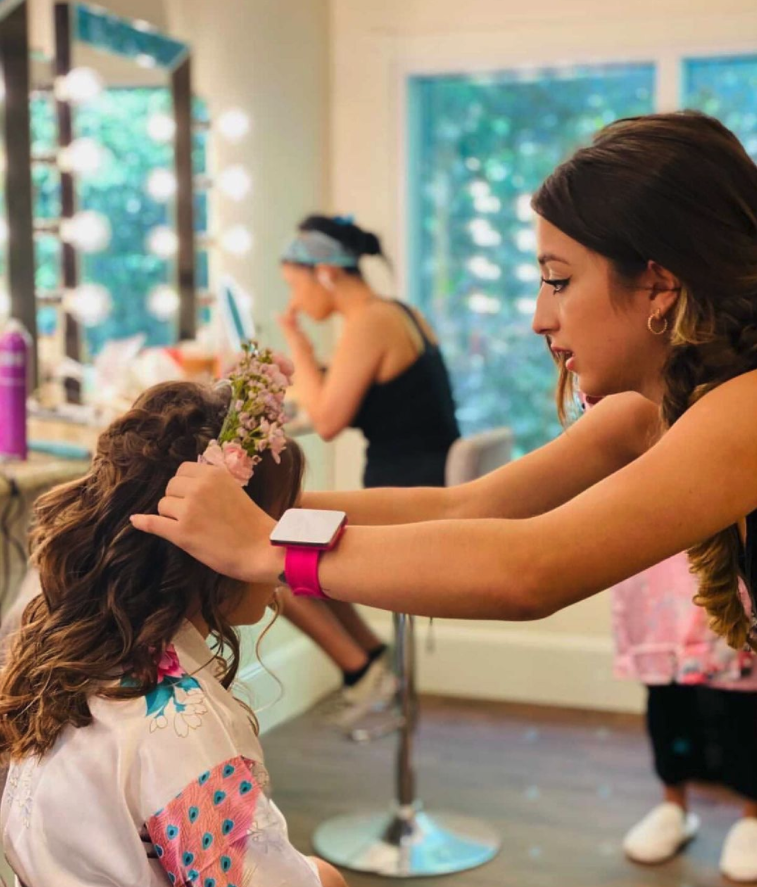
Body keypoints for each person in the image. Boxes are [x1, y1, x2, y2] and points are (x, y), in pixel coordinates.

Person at [131, 111, 757, 697]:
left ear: (659, 284)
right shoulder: (649, 412)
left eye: (559, 281)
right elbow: (467, 506)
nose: (540, 318)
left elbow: (531, 569)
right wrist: (251, 505)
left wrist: (265, 547)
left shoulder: (745, 409)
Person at [0, 365, 348, 887]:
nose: (282, 545)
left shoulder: (64, 658)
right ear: (208, 542)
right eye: (272, 524)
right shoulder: (177, 724)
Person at [275, 214, 460, 726]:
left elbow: (326, 420)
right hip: (425, 486)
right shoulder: (397, 313)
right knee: (289, 537)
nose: (295, 302)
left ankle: (360, 670)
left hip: (409, 500)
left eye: (294, 285)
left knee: (266, 555)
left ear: (326, 273)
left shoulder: (370, 323)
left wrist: (295, 342)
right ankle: (372, 659)